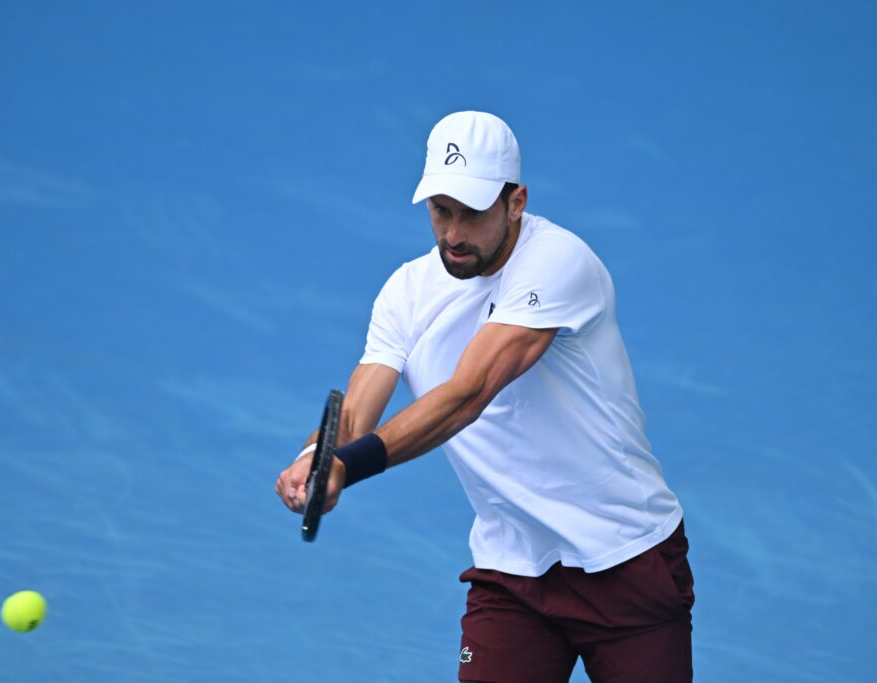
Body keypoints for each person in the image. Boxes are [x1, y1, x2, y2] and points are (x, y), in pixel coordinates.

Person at [276, 111, 694, 683]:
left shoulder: (558, 263)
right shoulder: (406, 292)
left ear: (516, 202)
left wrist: (347, 466)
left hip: (625, 558)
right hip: (512, 572)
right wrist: (315, 460)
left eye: (471, 214)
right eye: (440, 211)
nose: (452, 233)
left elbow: (468, 394)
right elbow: (353, 412)